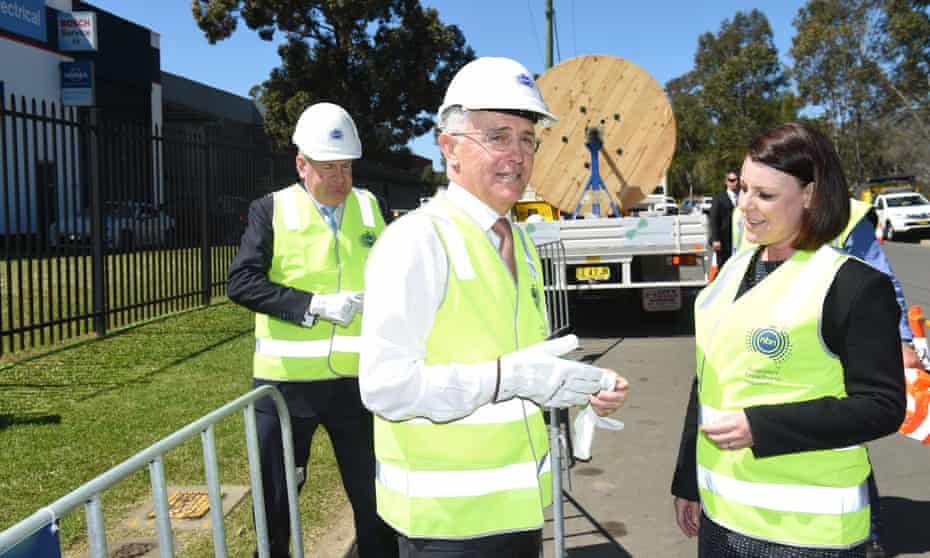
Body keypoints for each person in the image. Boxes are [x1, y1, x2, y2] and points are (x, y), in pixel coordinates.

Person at [358, 57, 630, 557]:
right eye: (498, 137)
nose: (518, 155)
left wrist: (580, 387)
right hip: (447, 528)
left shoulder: (519, 242)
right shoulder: (417, 242)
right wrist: (509, 378)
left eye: (527, 140)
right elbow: (386, 388)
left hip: (517, 514)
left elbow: (525, 360)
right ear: (449, 148)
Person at [671, 121, 906, 557]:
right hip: (722, 522)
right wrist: (688, 479)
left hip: (809, 537)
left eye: (765, 195)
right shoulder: (731, 275)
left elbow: (883, 407)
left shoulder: (852, 286)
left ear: (810, 195)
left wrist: (760, 428)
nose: (746, 206)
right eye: (743, 189)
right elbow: (707, 380)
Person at [228, 102, 397, 558]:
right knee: (276, 505)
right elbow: (241, 282)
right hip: (286, 386)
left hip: (357, 383)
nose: (341, 178)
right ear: (302, 164)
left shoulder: (373, 207)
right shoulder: (271, 210)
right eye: (328, 168)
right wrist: (313, 305)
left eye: (346, 167)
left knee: (375, 499)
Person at [709, 170, 741, 267]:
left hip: (738, 239)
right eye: (731, 180)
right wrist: (715, 239)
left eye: (736, 180)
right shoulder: (719, 198)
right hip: (723, 240)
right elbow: (714, 219)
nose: (735, 182)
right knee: (723, 267)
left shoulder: (741, 197)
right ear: (726, 182)